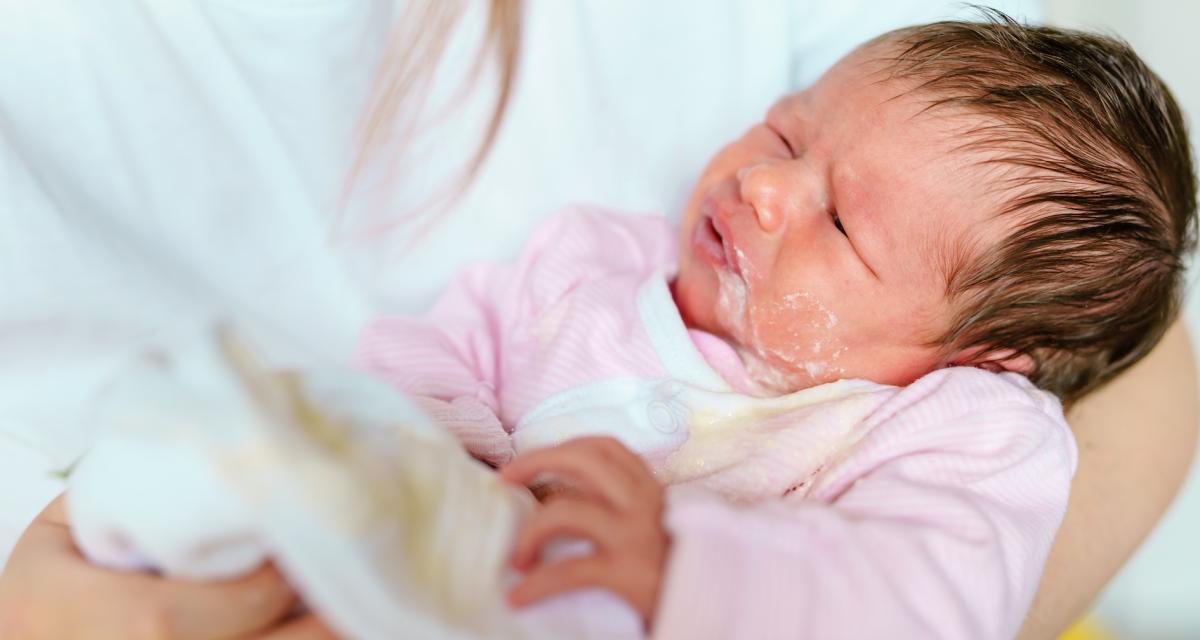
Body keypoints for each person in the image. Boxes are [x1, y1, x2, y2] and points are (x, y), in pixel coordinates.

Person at [0, 1, 1194, 639]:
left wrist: (688, 571)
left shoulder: (958, 431)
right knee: (249, 481)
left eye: (839, 226)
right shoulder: (591, 267)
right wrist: (416, 436)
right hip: (452, 564)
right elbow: (437, 356)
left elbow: (927, 601)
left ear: (983, 351)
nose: (764, 188)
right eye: (783, 132)